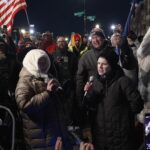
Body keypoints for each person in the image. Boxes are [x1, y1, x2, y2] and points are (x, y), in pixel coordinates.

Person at [83, 48, 143, 150]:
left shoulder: (123, 82)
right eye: (98, 63)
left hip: (120, 138)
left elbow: (137, 104)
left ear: (112, 65)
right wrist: (88, 93)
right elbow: (89, 106)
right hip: (101, 138)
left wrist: (123, 116)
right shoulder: (95, 82)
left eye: (104, 64)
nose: (100, 67)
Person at [15, 49, 72, 150]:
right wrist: (47, 94)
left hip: (54, 131)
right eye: (39, 61)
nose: (43, 64)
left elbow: (58, 99)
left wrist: (63, 93)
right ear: (31, 61)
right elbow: (25, 105)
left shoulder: (48, 76)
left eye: (44, 61)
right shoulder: (25, 80)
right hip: (40, 135)